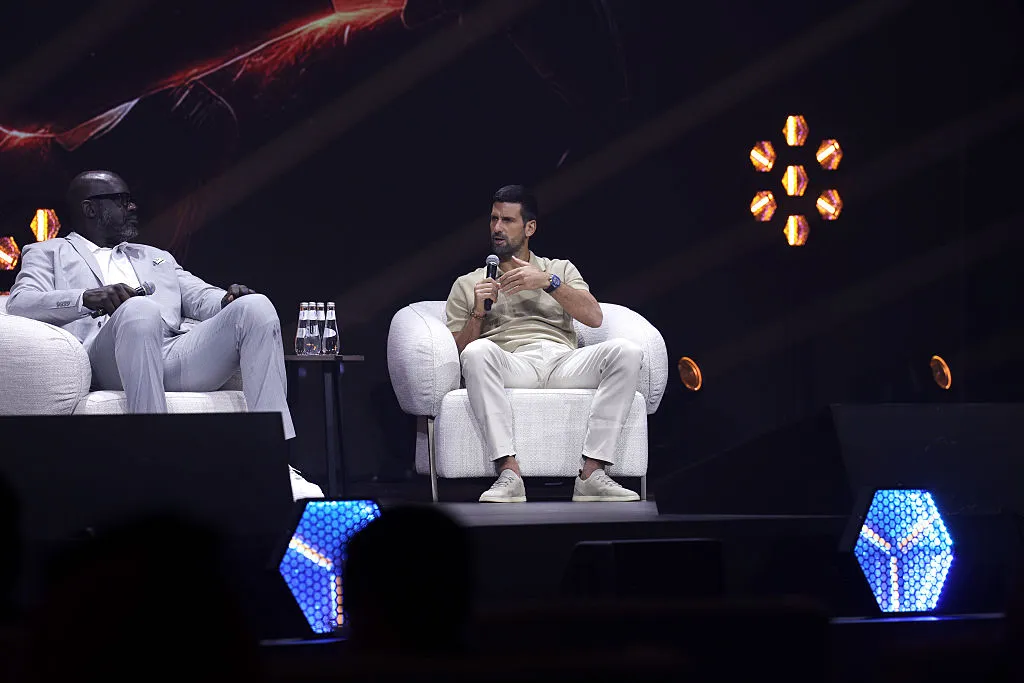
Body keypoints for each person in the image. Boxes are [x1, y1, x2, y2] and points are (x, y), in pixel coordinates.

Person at [6, 170, 321, 500]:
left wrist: (228, 299)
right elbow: (21, 303)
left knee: (255, 307)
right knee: (138, 309)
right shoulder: (49, 252)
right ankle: (156, 458)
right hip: (106, 359)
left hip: (170, 353)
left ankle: (274, 461)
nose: (132, 207)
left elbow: (202, 297)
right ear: (90, 210)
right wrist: (87, 297)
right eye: (122, 201)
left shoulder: (155, 257)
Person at [446, 184, 643, 503]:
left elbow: (594, 317)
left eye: (507, 220)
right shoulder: (469, 283)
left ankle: (592, 474)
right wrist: (477, 314)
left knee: (629, 352)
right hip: (511, 363)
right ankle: (509, 473)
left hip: (562, 361)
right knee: (477, 351)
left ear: (530, 227)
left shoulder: (559, 269)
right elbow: (458, 354)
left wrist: (549, 283)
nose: (497, 228)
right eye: (494, 219)